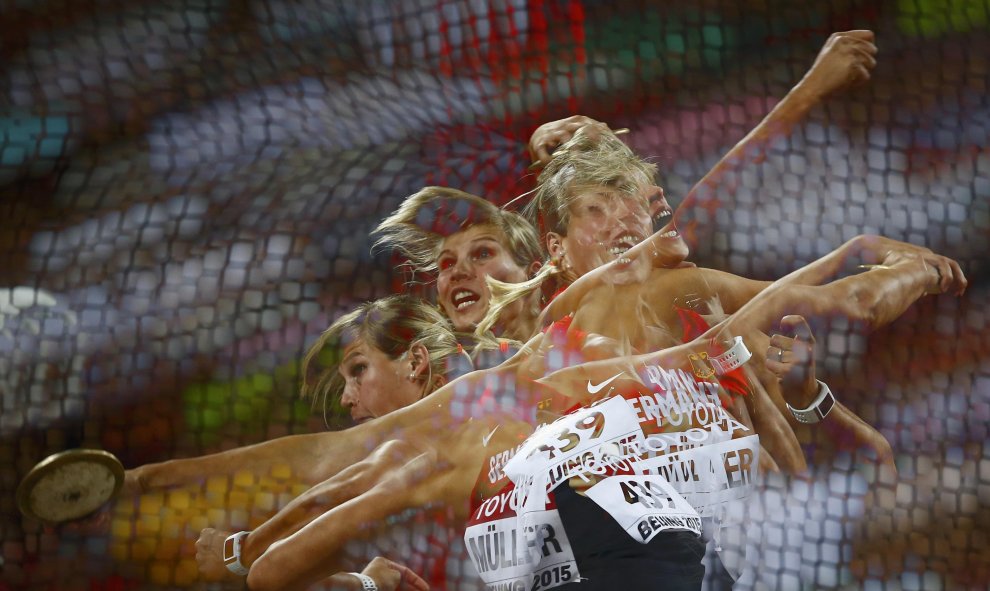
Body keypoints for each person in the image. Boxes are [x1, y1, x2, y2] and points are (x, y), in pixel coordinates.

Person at [373, 186, 544, 343]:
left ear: (533, 275)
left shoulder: (568, 341)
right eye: (447, 263)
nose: (457, 272)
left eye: (482, 253)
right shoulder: (435, 374)